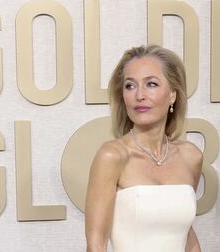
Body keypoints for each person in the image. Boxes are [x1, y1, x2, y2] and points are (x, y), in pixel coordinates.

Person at [85, 45, 203, 252]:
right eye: (130, 86)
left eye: (151, 84)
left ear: (173, 95)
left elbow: (185, 233)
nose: (139, 95)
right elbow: (96, 244)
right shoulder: (112, 156)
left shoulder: (190, 156)